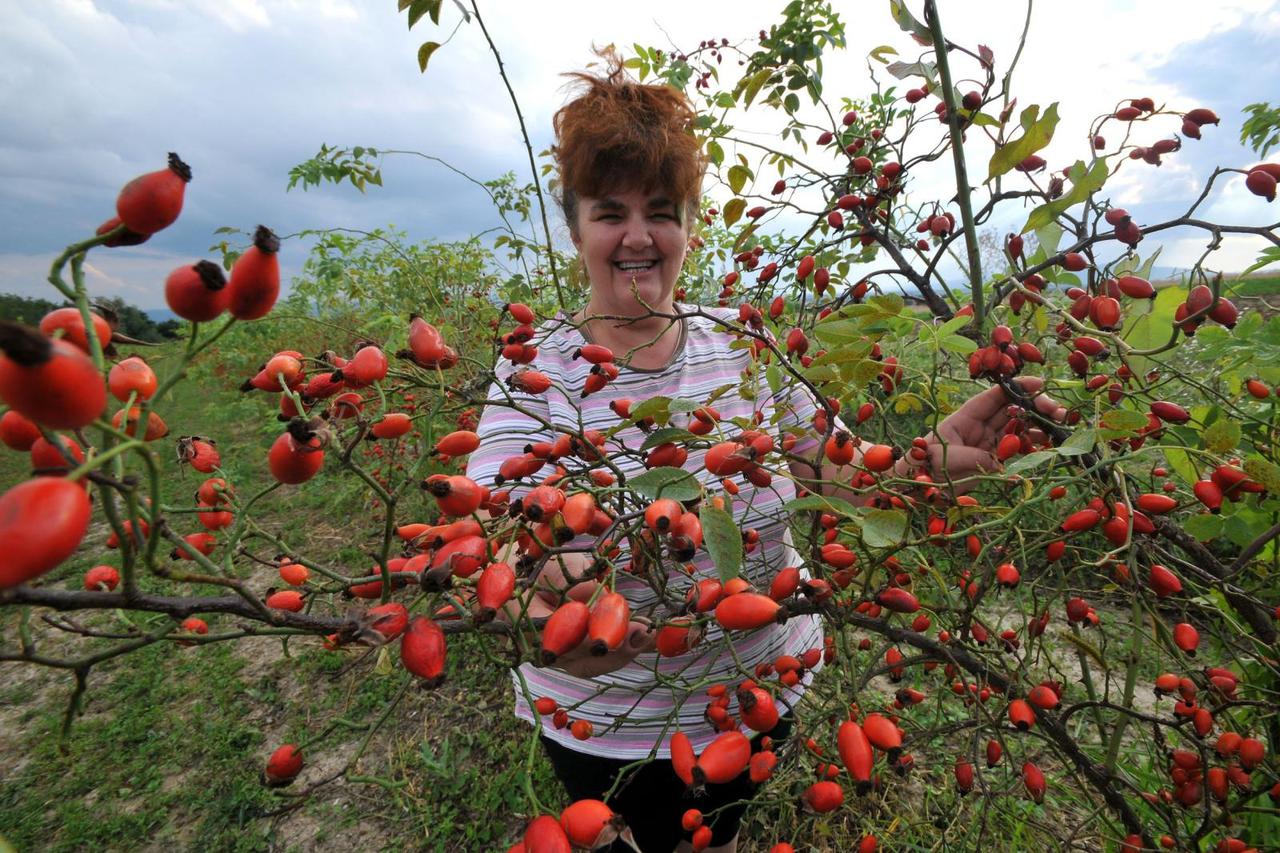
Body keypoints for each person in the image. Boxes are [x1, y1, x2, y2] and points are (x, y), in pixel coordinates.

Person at [464, 50, 1064, 853]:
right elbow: (487, 546)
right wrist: (536, 616)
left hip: (761, 689)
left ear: (688, 225)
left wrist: (929, 459)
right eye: (610, 212)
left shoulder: (745, 344)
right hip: (603, 718)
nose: (638, 235)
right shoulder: (534, 370)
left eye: (662, 210)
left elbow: (838, 470)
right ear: (575, 228)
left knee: (718, 833)